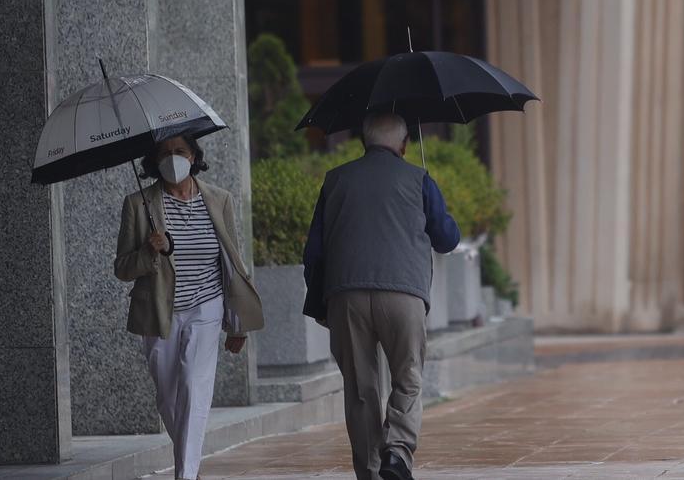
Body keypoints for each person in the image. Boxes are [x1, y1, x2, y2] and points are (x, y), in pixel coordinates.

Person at [302, 113, 461, 480]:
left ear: (363, 142)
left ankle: (371, 472)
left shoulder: (335, 180)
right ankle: (398, 452)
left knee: (360, 388)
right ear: (404, 145)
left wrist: (320, 305)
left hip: (346, 295)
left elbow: (314, 252)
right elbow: (446, 239)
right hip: (404, 293)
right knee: (408, 376)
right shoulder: (418, 179)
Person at [115, 134, 264, 480]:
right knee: (169, 398)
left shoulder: (219, 200)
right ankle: (191, 466)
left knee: (194, 387)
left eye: (179, 151)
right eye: (164, 153)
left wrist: (236, 324)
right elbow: (122, 268)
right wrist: (148, 252)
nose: (173, 158)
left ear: (194, 155)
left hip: (206, 307)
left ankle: (186, 474)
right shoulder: (138, 204)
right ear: (153, 161)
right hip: (158, 312)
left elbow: (232, 264)